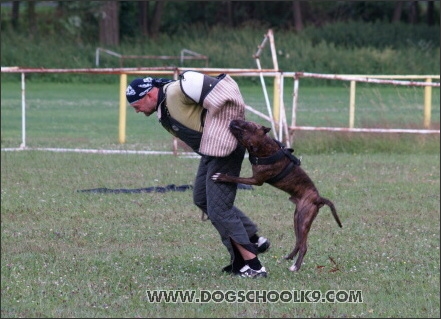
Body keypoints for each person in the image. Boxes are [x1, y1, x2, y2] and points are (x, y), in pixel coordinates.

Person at [126, 71, 270, 278]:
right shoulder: (164, 103)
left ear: (149, 95)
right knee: (201, 198)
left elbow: (223, 89)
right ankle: (250, 242)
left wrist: (229, 123)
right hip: (211, 153)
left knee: (220, 210)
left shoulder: (176, 91)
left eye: (136, 106)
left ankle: (254, 267)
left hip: (224, 151)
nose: (137, 111)